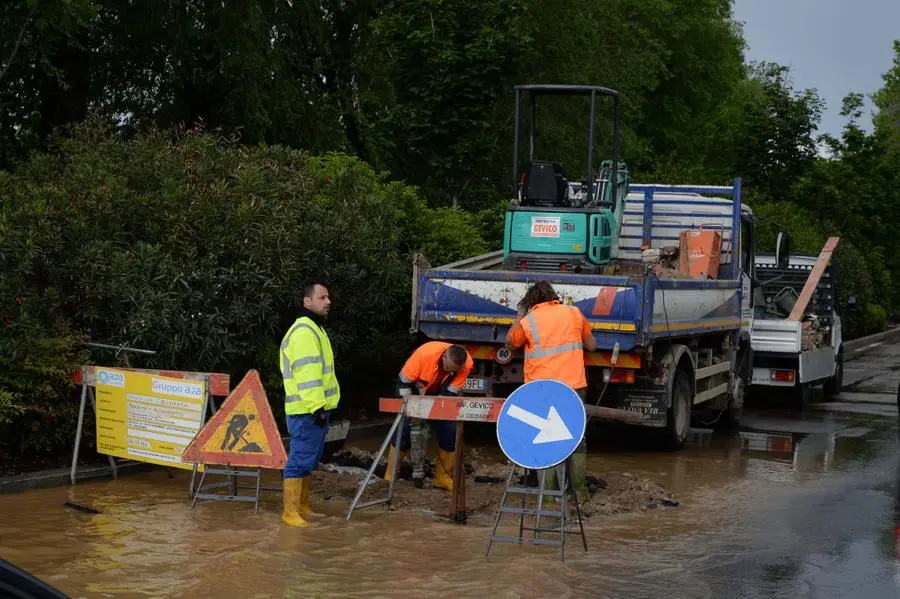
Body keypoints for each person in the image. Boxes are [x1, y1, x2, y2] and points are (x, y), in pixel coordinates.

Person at [504, 280, 596, 504]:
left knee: (543, 438)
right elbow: (591, 346)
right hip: (573, 386)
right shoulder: (574, 313)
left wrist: (519, 315)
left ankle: (546, 496)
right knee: (576, 439)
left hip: (541, 389)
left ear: (532, 302)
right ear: (554, 296)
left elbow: (510, 343)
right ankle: (579, 494)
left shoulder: (529, 320)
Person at [279, 280, 341, 527]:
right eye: (322, 298)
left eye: (328, 297)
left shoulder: (314, 329)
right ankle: (290, 512)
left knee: (308, 460)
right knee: (299, 459)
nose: (328, 302)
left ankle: (302, 507)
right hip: (307, 409)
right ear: (307, 301)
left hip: (312, 409)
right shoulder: (305, 331)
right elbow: (307, 375)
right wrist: (317, 406)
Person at [385, 342, 474, 491]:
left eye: (453, 371)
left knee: (450, 430)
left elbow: (449, 394)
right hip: (413, 388)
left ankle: (442, 477)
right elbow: (403, 382)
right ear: (444, 357)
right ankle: (390, 475)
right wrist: (412, 410)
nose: (449, 372)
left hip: (441, 392)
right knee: (404, 428)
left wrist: (434, 409)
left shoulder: (467, 364)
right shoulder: (423, 355)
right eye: (447, 368)